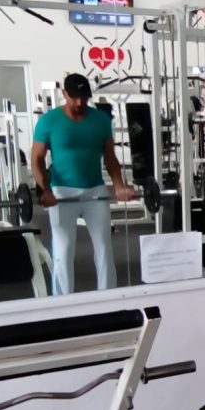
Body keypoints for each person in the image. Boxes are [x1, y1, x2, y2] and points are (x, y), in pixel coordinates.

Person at [31, 74, 137, 295]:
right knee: (63, 249)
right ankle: (63, 304)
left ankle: (108, 299)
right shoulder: (48, 121)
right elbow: (36, 159)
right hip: (61, 192)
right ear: (64, 94)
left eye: (84, 97)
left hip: (95, 191)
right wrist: (45, 190)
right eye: (74, 97)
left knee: (104, 246)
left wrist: (119, 185)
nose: (79, 102)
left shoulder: (101, 120)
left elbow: (110, 158)